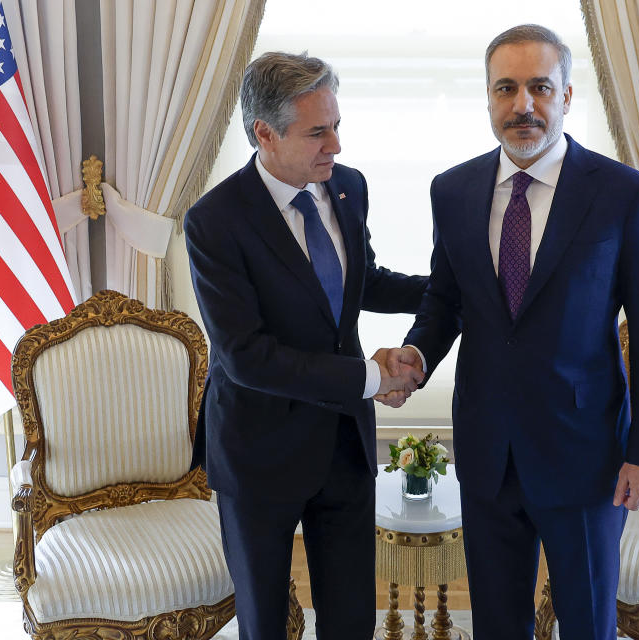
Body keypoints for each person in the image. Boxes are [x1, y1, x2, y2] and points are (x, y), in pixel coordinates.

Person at [377, 25, 639, 640]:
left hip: (587, 454)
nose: (523, 105)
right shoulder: (453, 190)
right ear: (489, 99)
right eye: (506, 88)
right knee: (497, 621)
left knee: (588, 622)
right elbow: (446, 300)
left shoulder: (623, 194)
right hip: (489, 451)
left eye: (540, 87)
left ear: (566, 97)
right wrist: (414, 355)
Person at [184, 51, 427, 640]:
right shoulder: (214, 221)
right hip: (258, 452)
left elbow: (364, 281)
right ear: (264, 134)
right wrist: (369, 380)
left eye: (337, 124)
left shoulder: (346, 187)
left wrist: (455, 292)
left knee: (350, 621)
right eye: (318, 132)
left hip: (343, 444)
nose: (336, 145)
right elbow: (246, 356)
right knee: (265, 624)